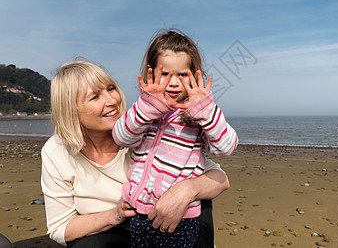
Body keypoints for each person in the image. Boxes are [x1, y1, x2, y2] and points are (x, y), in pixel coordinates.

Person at [41, 59, 230, 247]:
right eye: (95, 97)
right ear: (71, 110)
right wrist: (115, 215)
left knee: (198, 201)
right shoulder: (56, 152)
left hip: (166, 229)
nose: (112, 101)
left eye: (111, 89)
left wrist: (185, 191)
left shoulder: (142, 127)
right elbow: (60, 228)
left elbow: (220, 179)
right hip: (110, 234)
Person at [112, 29, 238, 247]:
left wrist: (205, 111)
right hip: (139, 213)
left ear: (195, 75)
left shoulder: (199, 116)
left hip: (180, 217)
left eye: (182, 75)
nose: (172, 83)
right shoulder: (143, 112)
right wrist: (148, 107)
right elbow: (121, 137)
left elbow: (226, 147)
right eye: (164, 74)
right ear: (150, 72)